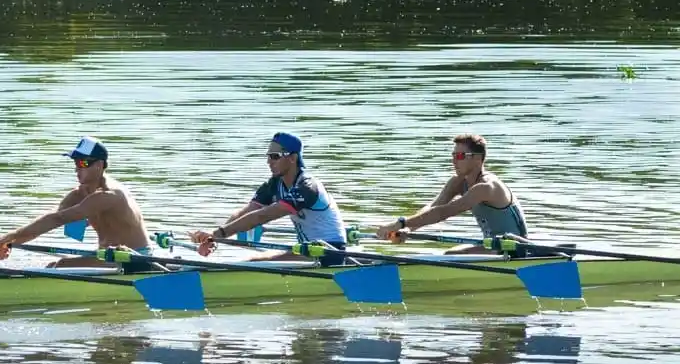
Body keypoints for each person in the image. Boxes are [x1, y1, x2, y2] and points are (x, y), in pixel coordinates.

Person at [0, 136, 154, 272]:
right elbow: (47, 222)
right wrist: (9, 244)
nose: (77, 168)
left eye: (83, 163)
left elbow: (58, 219)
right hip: (109, 258)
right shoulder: (78, 194)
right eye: (75, 162)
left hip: (136, 260)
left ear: (100, 165)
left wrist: (6, 237)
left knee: (60, 266)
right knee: (53, 266)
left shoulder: (109, 195)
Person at [188, 132, 349, 265]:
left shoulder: (307, 188)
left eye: (275, 156)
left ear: (292, 158)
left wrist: (218, 233)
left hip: (330, 252)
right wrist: (215, 238)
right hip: (307, 250)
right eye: (268, 156)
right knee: (251, 260)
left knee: (253, 262)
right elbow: (247, 212)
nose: (268, 162)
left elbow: (262, 216)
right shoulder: (275, 184)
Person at [375, 133, 528, 254]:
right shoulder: (458, 182)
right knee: (452, 254)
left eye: (460, 156)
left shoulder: (487, 187)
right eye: (453, 156)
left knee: (451, 256)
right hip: (492, 245)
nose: (454, 161)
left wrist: (400, 222)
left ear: (478, 159)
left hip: (514, 248)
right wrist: (407, 229)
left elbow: (443, 213)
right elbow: (434, 206)